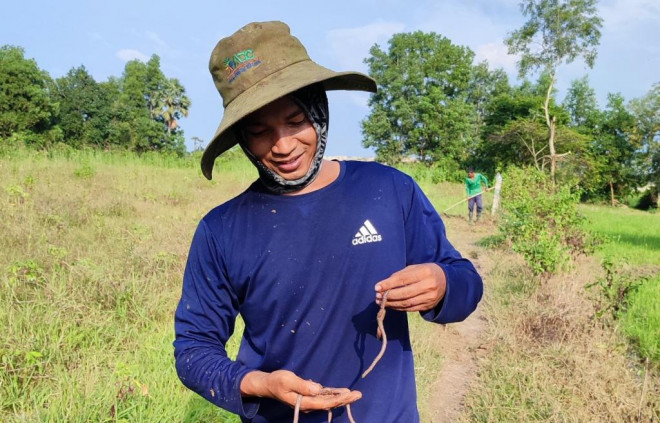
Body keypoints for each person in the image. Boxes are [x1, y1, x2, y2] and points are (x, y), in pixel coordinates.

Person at [173, 21, 483, 423]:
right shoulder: (222, 230)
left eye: (296, 121)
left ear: (319, 110)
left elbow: (465, 284)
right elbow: (194, 350)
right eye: (260, 132)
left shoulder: (389, 190)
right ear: (243, 140)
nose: (283, 146)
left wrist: (442, 284)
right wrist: (261, 384)